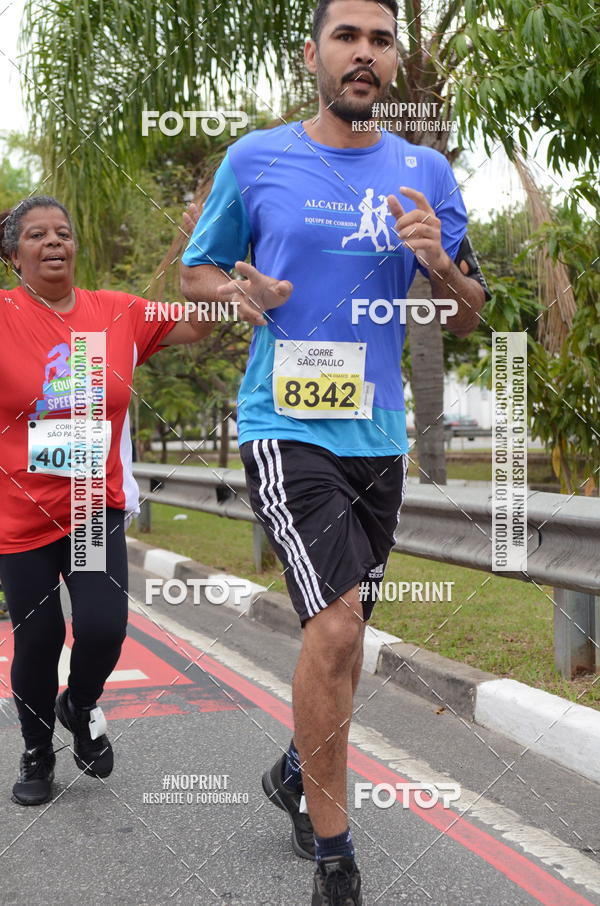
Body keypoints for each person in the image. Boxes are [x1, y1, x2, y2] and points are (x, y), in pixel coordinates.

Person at [181, 0, 489, 902]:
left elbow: (468, 314)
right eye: (347, 37)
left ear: (393, 61)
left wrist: (439, 263)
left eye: (380, 41)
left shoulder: (424, 171)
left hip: (378, 435)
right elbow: (198, 269)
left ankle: (293, 769)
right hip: (285, 422)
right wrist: (236, 291)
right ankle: (335, 857)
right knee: (339, 622)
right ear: (311, 54)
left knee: (345, 640)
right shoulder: (256, 158)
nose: (364, 53)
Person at [0, 195, 207, 807]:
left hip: (93, 503)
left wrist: (203, 245)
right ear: (13, 256)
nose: (53, 242)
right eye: (36, 235)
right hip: (20, 513)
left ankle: (80, 702)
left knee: (103, 628)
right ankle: (37, 751)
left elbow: (200, 322)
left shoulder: (119, 311)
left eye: (62, 232)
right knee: (38, 639)